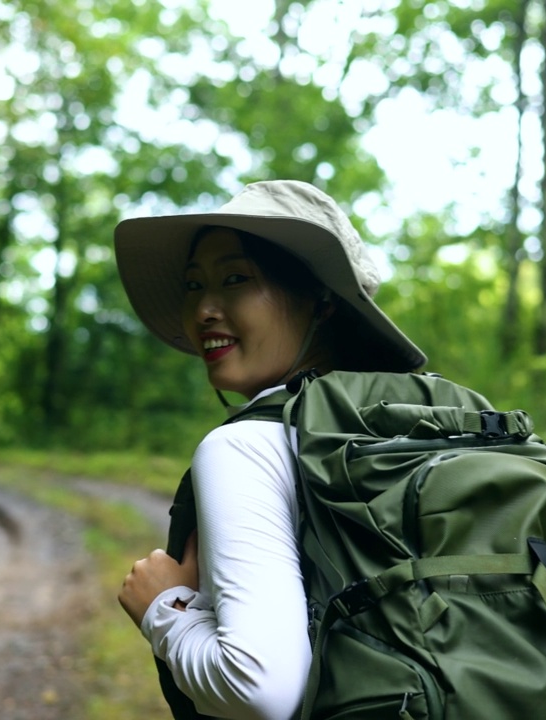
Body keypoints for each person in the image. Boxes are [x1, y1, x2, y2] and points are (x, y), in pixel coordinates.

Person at [112, 180, 428, 720]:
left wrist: (166, 610)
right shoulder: (437, 422)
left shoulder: (245, 445)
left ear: (321, 301)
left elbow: (261, 689)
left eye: (235, 278)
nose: (203, 309)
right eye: (193, 285)